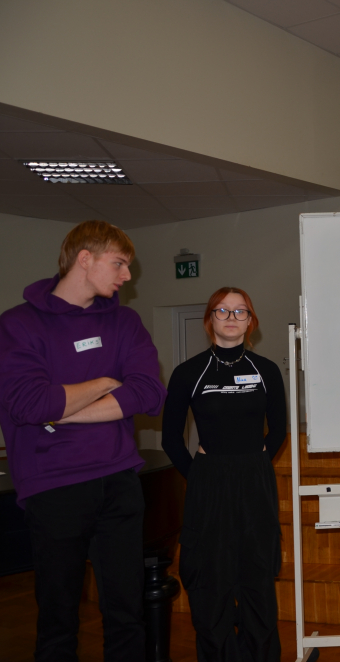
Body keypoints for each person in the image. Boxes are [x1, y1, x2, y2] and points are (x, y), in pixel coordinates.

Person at [0, 219, 167, 660]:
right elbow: (30, 404)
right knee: (58, 618)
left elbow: (149, 393)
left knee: (127, 612)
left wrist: (62, 412)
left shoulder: (125, 322)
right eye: (119, 264)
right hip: (53, 485)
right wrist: (105, 383)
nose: (126, 276)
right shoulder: (18, 325)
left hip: (119, 480)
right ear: (85, 258)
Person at [161, 286, 287, 661]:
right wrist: (200, 475)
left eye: (240, 311)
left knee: (257, 576)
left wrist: (256, 463)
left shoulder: (266, 370)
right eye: (223, 310)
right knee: (210, 578)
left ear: (251, 322)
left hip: (254, 482)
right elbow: (170, 438)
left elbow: (279, 429)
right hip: (209, 482)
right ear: (209, 320)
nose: (231, 317)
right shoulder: (188, 372)